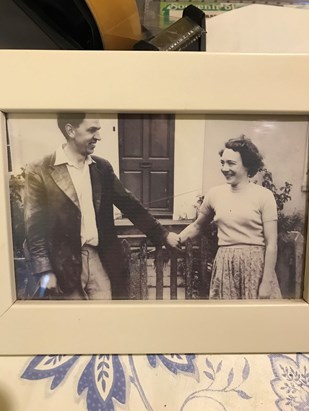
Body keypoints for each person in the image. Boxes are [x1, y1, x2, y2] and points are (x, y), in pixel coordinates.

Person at [24, 113, 180, 300]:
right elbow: (35, 227)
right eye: (92, 130)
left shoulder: (101, 167)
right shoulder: (40, 170)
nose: (98, 137)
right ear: (70, 130)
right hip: (63, 266)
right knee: (75, 325)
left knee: (105, 321)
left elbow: (129, 204)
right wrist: (44, 271)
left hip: (100, 260)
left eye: (98, 130)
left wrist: (162, 234)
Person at [178, 135, 282, 299]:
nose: (225, 168)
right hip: (225, 266)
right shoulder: (215, 194)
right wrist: (175, 239)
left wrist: (266, 282)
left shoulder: (264, 196)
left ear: (247, 165)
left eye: (231, 163)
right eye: (222, 162)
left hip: (255, 267)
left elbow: (271, 244)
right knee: (226, 320)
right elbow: (197, 226)